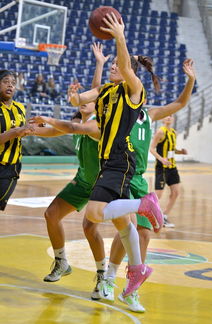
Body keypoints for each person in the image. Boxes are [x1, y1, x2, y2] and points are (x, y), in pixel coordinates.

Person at [31, 14, 164, 299]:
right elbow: (79, 102)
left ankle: (144, 203)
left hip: (121, 159)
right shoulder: (105, 91)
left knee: (94, 216)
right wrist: (77, 94)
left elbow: (126, 67)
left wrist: (119, 37)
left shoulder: (133, 91)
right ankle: (136, 270)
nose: (115, 66)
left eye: (117, 65)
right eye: (113, 65)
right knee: (120, 223)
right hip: (108, 164)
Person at [82, 44, 196, 311]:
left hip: (138, 178)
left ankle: (132, 288)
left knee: (143, 234)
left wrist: (190, 81)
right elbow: (98, 95)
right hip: (120, 170)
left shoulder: (149, 114)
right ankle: (108, 279)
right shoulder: (116, 105)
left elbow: (180, 103)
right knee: (124, 228)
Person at [29, 100, 100, 282]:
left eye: (88, 100)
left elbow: (61, 126)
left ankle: (103, 275)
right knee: (51, 214)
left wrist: (47, 119)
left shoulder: (98, 124)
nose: (83, 102)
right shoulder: (77, 124)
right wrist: (24, 129)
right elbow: (51, 131)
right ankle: (61, 262)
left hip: (104, 185)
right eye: (81, 100)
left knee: (90, 228)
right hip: (83, 182)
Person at [0, 70, 34, 211]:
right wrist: (15, 132)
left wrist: (30, 129)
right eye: (6, 82)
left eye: (13, 83)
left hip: (11, 167)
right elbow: (16, 132)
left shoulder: (20, 108)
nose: (10, 86)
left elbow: (22, 131)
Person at [150, 115, 188, 227]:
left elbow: (172, 149)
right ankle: (147, 214)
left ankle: (164, 216)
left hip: (172, 167)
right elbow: (151, 148)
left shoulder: (173, 133)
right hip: (162, 168)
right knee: (158, 194)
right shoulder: (160, 132)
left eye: (171, 117)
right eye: (166, 116)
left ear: (173, 119)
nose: (169, 118)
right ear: (162, 119)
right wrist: (161, 159)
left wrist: (181, 152)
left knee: (176, 192)